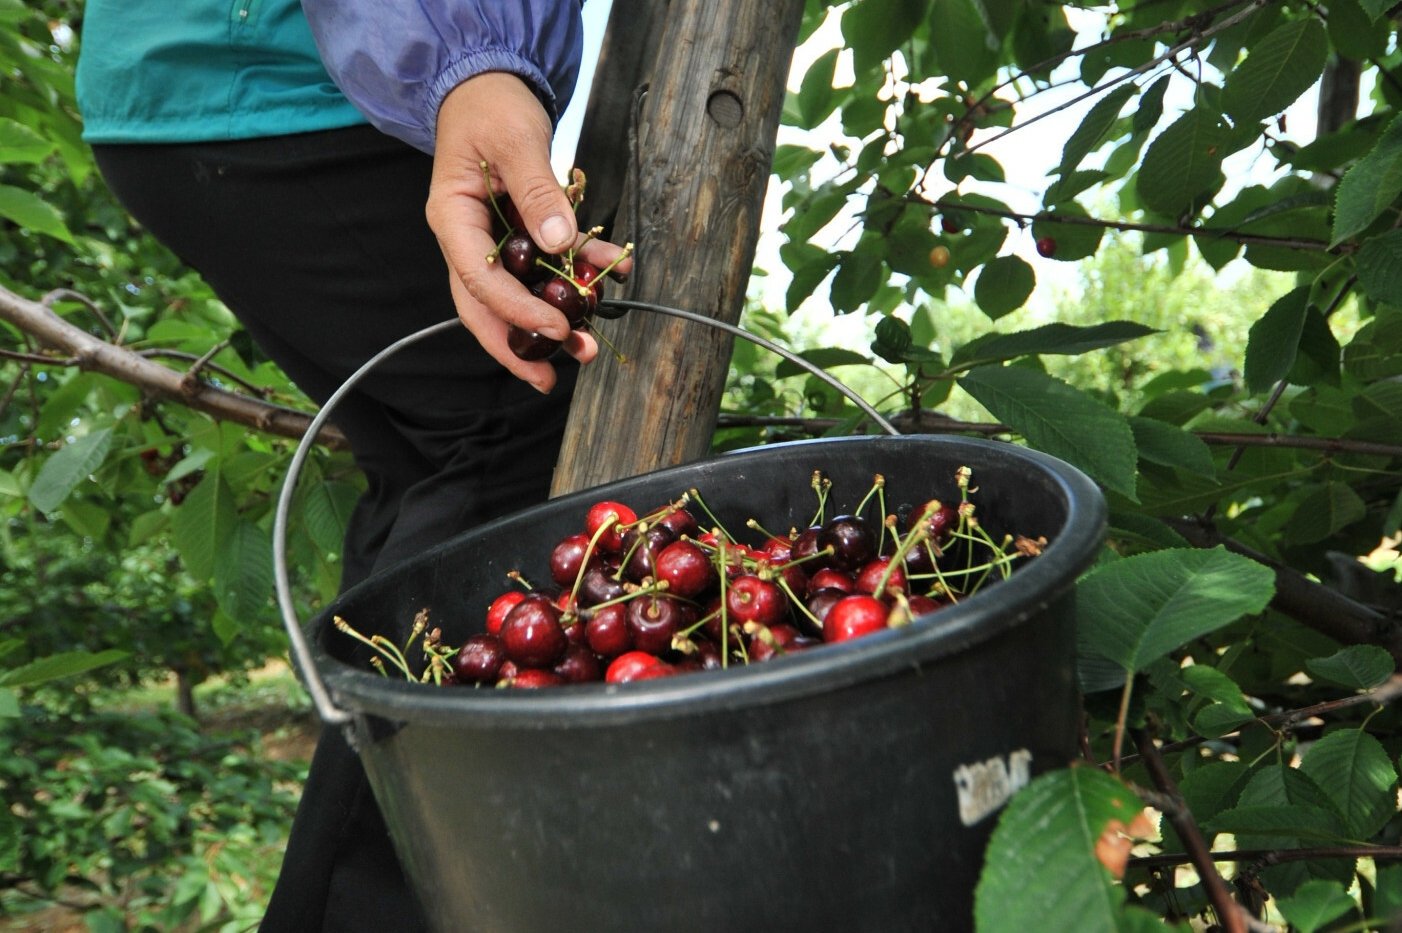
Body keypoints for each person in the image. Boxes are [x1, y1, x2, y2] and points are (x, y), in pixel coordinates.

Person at [74, 2, 629, 929]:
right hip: (285, 87)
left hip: (198, 85)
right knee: (516, 426)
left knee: (429, 463)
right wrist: (470, 58)